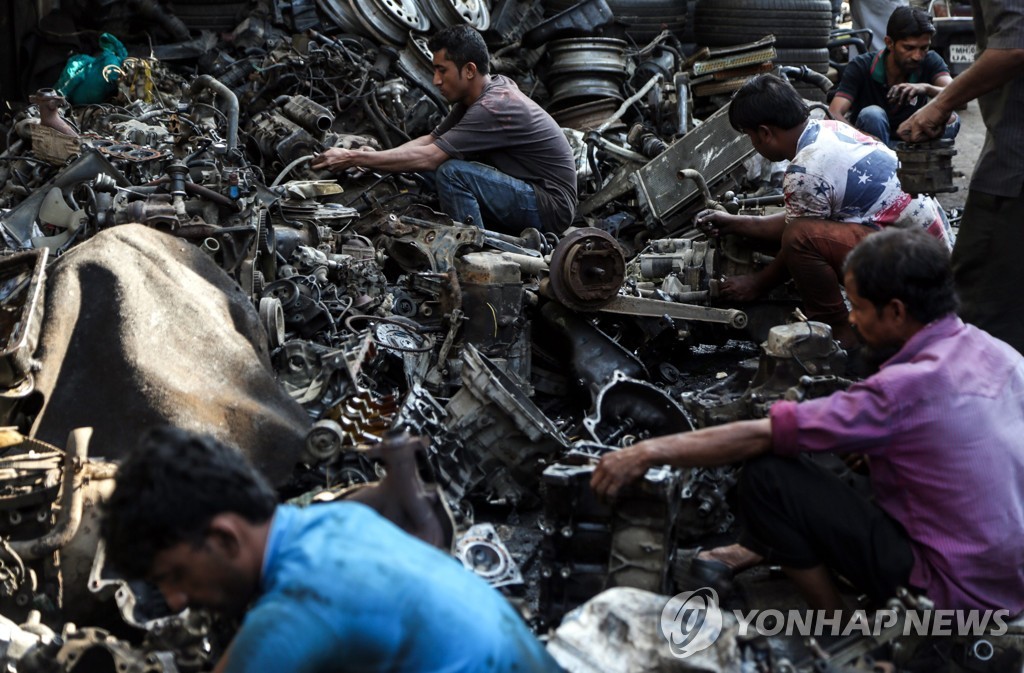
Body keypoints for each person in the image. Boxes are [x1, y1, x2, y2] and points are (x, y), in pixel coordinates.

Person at [591, 227, 1024, 613]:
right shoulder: (1001, 354)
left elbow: (763, 434)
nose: (850, 319)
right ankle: (757, 552)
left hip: (953, 592)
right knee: (854, 458)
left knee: (768, 477)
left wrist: (645, 452)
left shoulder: (903, 390)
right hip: (1009, 578)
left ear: (895, 311)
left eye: (856, 306)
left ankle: (835, 625)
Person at [101, 426, 561, 673]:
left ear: (223, 538)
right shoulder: (337, 520)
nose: (177, 601)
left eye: (175, 576)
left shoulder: (298, 610)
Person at [696, 73, 951, 348]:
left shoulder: (804, 169)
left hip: (915, 274)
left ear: (765, 133)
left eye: (750, 136)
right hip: (931, 253)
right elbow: (805, 220)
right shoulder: (830, 129)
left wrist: (757, 283)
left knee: (799, 240)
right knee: (800, 233)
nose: (752, 144)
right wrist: (736, 223)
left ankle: (839, 332)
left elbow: (798, 237)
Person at [311, 25, 578, 235]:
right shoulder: (479, 95)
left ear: (470, 70)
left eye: (442, 71)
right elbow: (431, 140)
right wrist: (377, 158)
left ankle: (471, 251)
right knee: (432, 166)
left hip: (549, 206)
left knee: (451, 173)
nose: (436, 80)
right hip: (529, 191)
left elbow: (430, 156)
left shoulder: (494, 106)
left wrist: (354, 158)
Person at [897, 0, 1024, 356]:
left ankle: (975, 400)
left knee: (975, 308)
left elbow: (1014, 45)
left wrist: (940, 104)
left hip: (1014, 167)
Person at [829, 6, 959, 148]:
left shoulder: (930, 60)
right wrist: (863, 137)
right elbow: (833, 114)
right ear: (889, 43)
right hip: (872, 146)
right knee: (872, 115)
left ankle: (925, 165)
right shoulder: (861, 66)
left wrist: (926, 88)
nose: (917, 56)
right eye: (908, 48)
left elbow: (957, 93)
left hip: (912, 143)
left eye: (923, 48)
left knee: (952, 119)